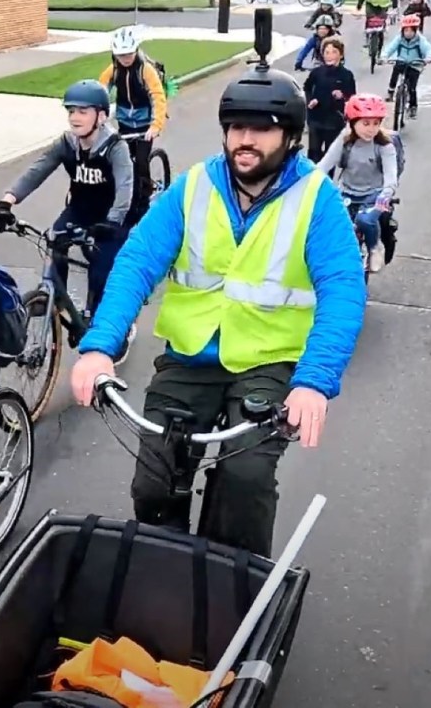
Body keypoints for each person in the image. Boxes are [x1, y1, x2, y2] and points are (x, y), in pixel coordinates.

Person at [67, 64, 367, 558]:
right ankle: (164, 572)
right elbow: (138, 261)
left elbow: (342, 290)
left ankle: (236, 591)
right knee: (154, 486)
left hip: (269, 362)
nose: (245, 139)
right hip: (189, 355)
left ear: (290, 136)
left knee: (242, 481)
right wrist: (100, 346)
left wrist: (314, 381)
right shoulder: (193, 187)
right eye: (236, 127)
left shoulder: (317, 199)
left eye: (262, 129)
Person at [0, 80, 134, 326]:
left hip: (110, 217)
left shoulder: (115, 146)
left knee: (101, 271)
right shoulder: (67, 143)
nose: (74, 118)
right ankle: (56, 299)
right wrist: (8, 201)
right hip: (79, 209)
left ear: (101, 116)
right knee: (54, 240)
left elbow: (125, 186)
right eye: (71, 111)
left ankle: (103, 321)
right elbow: (38, 170)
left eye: (82, 111)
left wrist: (113, 221)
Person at [318, 94, 400, 273]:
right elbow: (324, 165)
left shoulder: (385, 146)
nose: (371, 129)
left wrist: (386, 193)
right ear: (352, 122)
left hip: (374, 196)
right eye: (366, 123)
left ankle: (374, 248)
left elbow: (391, 176)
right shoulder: (345, 141)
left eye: (376, 123)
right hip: (346, 193)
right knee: (331, 225)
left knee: (365, 220)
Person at [98, 25, 168, 227]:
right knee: (121, 163)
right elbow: (100, 92)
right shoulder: (113, 70)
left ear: (136, 50)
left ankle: (143, 205)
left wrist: (155, 125)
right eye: (121, 55)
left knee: (141, 165)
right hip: (124, 123)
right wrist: (97, 116)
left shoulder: (146, 70)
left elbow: (157, 97)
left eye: (129, 53)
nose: (125, 58)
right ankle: (123, 198)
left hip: (145, 125)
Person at [303, 37, 356, 161]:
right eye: (326, 52)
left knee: (330, 155)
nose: (330, 56)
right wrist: (310, 100)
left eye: (334, 52)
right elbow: (307, 88)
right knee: (313, 153)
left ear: (341, 55)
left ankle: (327, 179)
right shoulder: (316, 72)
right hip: (316, 118)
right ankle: (312, 179)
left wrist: (342, 95)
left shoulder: (346, 75)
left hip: (335, 120)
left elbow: (352, 96)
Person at [381, 14, 431, 119]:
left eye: (411, 31)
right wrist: (384, 57)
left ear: (415, 31)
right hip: (401, 61)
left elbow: (429, 49)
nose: (408, 33)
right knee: (396, 70)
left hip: (415, 64)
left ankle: (413, 107)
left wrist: (428, 58)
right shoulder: (399, 39)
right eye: (406, 31)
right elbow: (390, 48)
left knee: (412, 87)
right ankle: (391, 91)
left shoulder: (420, 40)